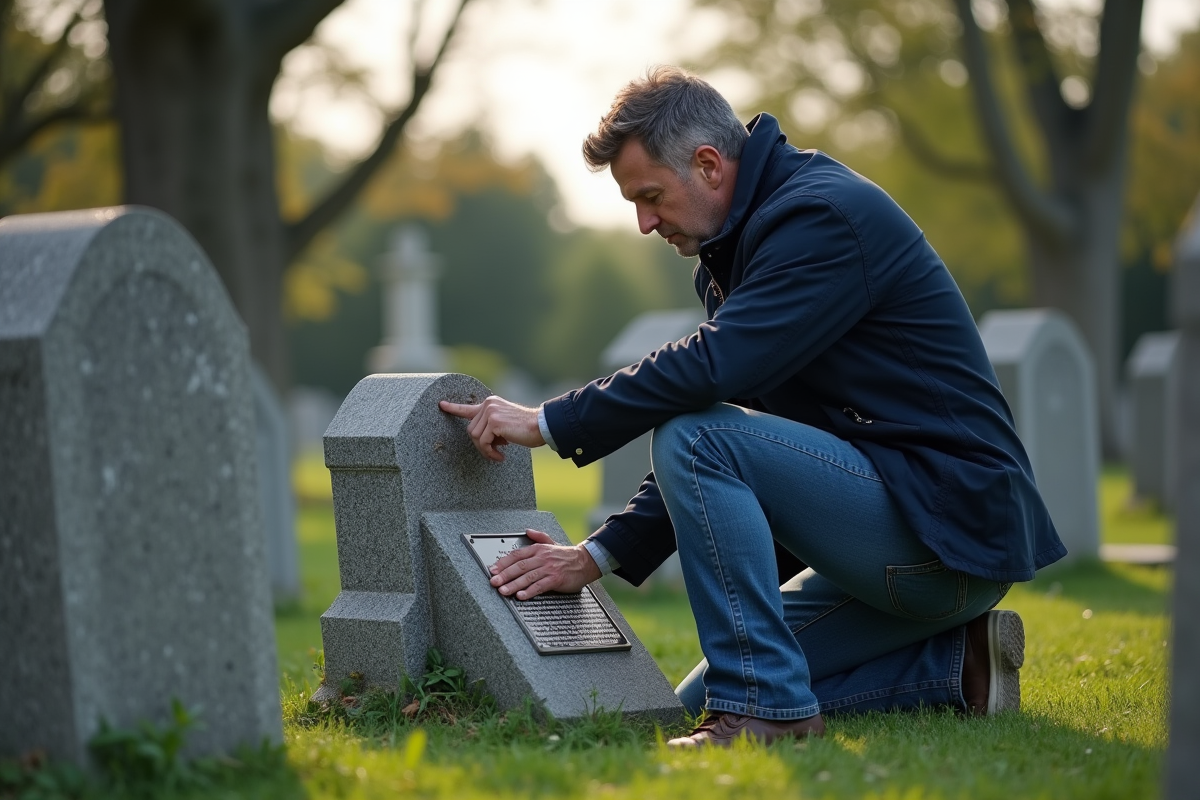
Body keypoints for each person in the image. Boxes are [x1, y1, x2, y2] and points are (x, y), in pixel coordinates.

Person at [439, 66, 1064, 748]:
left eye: (650, 197)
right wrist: (595, 556)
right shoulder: (741, 247)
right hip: (925, 553)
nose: (645, 223)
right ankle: (958, 667)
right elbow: (734, 404)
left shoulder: (820, 216)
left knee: (695, 440)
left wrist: (550, 421)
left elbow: (714, 376)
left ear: (708, 164)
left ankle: (772, 714)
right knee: (702, 696)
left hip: (945, 529)